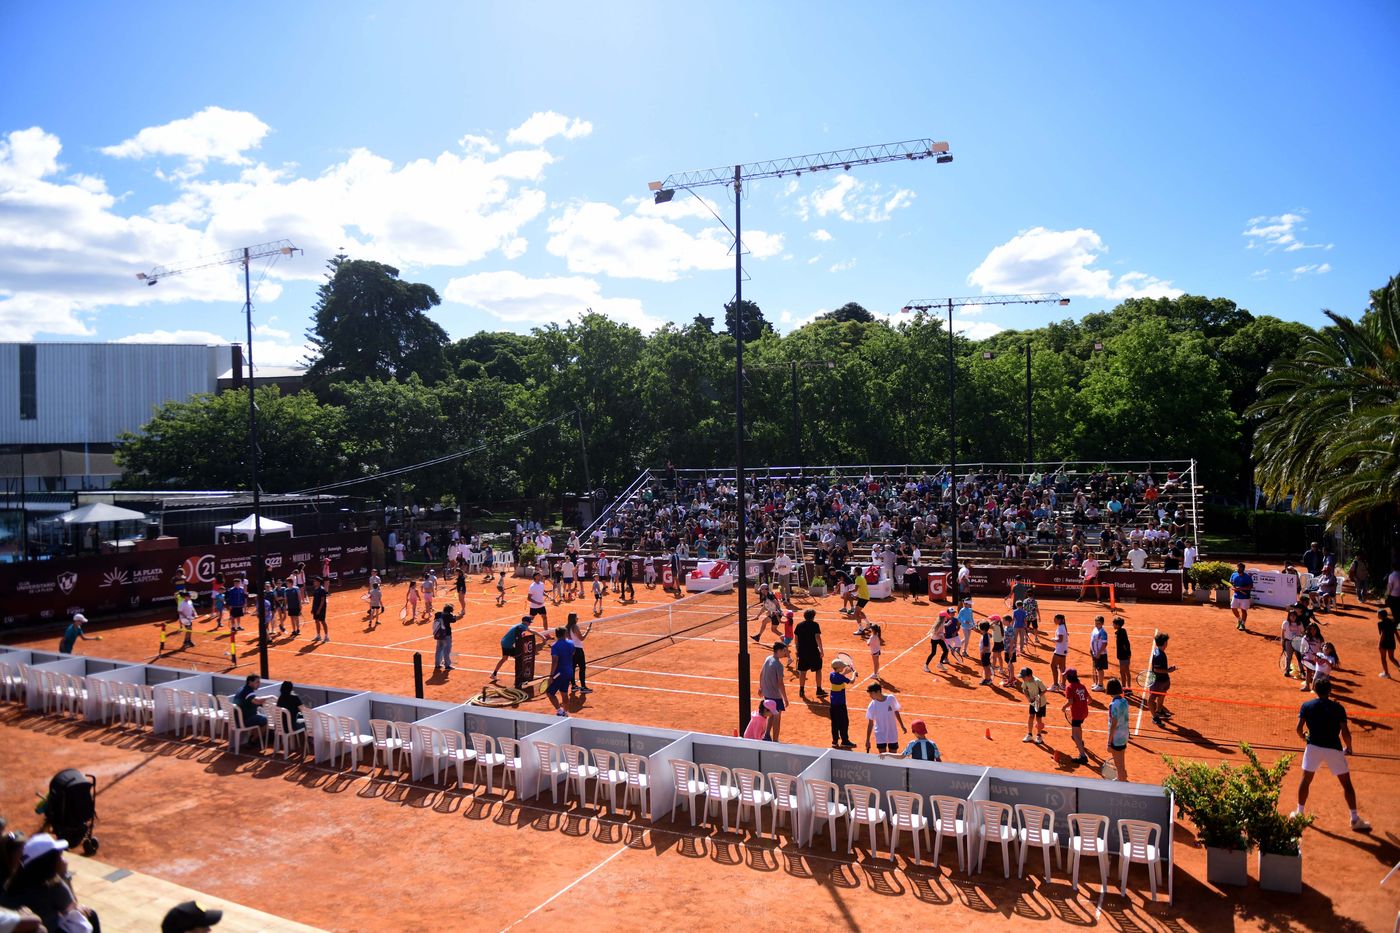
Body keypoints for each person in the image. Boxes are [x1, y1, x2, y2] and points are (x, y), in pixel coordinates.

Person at [1294, 679, 1370, 831]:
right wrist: (1349, 748)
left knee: (1305, 780)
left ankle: (1299, 814)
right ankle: (1354, 819)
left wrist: (1304, 738)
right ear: (1330, 690)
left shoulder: (1307, 706)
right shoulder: (1338, 708)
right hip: (1334, 749)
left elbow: (1298, 729)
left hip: (1313, 747)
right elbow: (1345, 732)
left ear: (1314, 689)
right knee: (1346, 784)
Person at [0, 834, 98, 933]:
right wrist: (64, 875)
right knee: (91, 915)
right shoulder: (53, 887)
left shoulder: (10, 884)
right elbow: (73, 910)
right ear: (49, 862)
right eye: (59, 857)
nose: (63, 860)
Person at [759, 642, 790, 742]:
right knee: (777, 717)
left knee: (771, 714)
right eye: (784, 651)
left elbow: (761, 673)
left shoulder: (768, 658)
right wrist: (785, 698)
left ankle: (767, 735)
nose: (786, 653)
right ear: (779, 651)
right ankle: (775, 741)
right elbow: (780, 683)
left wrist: (761, 687)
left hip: (767, 694)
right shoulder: (779, 665)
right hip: (775, 697)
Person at [863, 681, 905, 754]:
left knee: (893, 756)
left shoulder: (891, 698)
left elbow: (896, 711)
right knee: (882, 756)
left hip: (892, 732)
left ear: (878, 691)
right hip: (880, 734)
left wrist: (902, 725)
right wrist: (867, 740)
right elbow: (870, 723)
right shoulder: (872, 705)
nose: (870, 696)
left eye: (871, 693)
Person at [793, 610, 826, 700]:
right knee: (818, 670)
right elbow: (817, 638)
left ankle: (801, 690)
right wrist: (821, 650)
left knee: (802, 671)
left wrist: (797, 650)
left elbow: (796, 639)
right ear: (813, 616)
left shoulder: (799, 625)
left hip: (802, 652)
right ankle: (819, 690)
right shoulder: (815, 625)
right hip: (813, 651)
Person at [490, 617, 533, 683]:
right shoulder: (523, 626)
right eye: (529, 622)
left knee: (504, 659)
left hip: (504, 642)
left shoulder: (519, 625)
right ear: (525, 622)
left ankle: (494, 674)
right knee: (519, 659)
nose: (530, 624)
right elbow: (532, 631)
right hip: (508, 645)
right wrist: (542, 637)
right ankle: (520, 677)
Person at [1062, 669, 1090, 765]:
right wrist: (1082, 704)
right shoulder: (1082, 686)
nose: (1065, 677)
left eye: (1066, 676)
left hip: (1077, 714)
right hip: (1084, 712)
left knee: (1074, 735)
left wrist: (1063, 707)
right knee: (1078, 728)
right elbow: (1090, 700)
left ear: (1069, 677)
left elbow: (1070, 702)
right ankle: (1080, 743)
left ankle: (1083, 756)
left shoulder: (1069, 687)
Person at [545, 626, 574, 718]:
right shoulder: (571, 643)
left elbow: (555, 661)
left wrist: (551, 676)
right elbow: (572, 653)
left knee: (549, 693)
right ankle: (565, 712)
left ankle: (559, 711)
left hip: (559, 674)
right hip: (569, 672)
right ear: (564, 634)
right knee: (564, 693)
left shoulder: (555, 646)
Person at [828, 658, 855, 748]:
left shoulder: (832, 675)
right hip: (841, 705)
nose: (843, 668)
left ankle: (835, 741)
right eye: (842, 667)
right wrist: (854, 674)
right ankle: (845, 740)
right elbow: (851, 681)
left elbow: (839, 678)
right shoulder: (840, 677)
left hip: (833, 705)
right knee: (844, 722)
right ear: (838, 668)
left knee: (834, 723)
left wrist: (844, 673)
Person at [1106, 678, 1130, 781]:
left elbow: (1113, 724)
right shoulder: (1125, 701)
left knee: (1118, 765)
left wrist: (1109, 742)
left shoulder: (1113, 705)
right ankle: (1122, 776)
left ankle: (1122, 781)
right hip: (1124, 735)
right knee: (1122, 762)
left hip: (1117, 738)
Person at [1149, 632, 1175, 725]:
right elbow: (1156, 669)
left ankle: (1159, 711)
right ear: (1165, 643)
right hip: (1157, 681)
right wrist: (1169, 670)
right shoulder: (1159, 655)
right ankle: (1154, 717)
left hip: (1163, 680)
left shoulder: (1158, 651)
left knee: (1163, 694)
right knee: (1151, 699)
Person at [1018, 666, 1049, 744]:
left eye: (1023, 677)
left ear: (1029, 676)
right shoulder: (1025, 681)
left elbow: (1044, 690)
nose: (1022, 679)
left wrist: (1038, 696)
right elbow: (1024, 689)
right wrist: (1028, 698)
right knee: (1031, 717)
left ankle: (1039, 736)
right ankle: (1029, 734)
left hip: (1040, 703)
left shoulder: (1037, 681)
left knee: (1038, 719)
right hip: (1032, 702)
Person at [567, 615, 591, 695]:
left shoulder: (566, 627)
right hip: (578, 650)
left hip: (571, 650)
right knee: (582, 667)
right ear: (574, 619)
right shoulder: (575, 627)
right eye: (576, 617)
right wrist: (587, 630)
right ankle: (583, 687)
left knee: (572, 668)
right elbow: (581, 638)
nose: (577, 618)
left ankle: (573, 686)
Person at [1230, 562, 1254, 631]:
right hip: (1236, 596)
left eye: (1239, 567)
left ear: (1243, 569)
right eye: (1237, 567)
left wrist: (1241, 588)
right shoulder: (1234, 574)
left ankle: (1243, 624)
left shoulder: (1247, 577)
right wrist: (1233, 588)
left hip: (1245, 597)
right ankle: (1239, 620)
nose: (1238, 568)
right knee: (1233, 608)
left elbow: (1250, 587)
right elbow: (1231, 584)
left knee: (1243, 611)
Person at [1113, 617, 1133, 695]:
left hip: (1123, 656)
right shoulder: (1121, 631)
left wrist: (1128, 654)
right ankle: (1127, 688)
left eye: (1114, 624)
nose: (1112, 625)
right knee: (1126, 672)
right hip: (1124, 656)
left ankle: (1125, 688)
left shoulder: (1121, 633)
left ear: (1117, 625)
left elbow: (1126, 644)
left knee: (1123, 672)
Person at [1049, 613, 1069, 691]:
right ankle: (1063, 685)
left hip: (1059, 650)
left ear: (1060, 620)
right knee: (1062, 668)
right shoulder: (1063, 626)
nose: (1054, 620)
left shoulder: (1060, 628)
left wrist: (1053, 639)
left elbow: (1060, 639)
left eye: (1055, 619)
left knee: (1053, 666)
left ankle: (1055, 685)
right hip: (1063, 650)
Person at [1089, 616, 1109, 691]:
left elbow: (1104, 644)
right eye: (1096, 623)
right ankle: (1097, 683)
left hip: (1101, 654)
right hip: (1094, 653)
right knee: (1096, 668)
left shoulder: (1103, 632)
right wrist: (1091, 648)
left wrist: (1099, 653)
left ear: (1102, 623)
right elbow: (1092, 640)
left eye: (1099, 623)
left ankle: (1100, 685)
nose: (1097, 624)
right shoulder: (1094, 629)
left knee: (1100, 669)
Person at [432, 607, 454, 672]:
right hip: (446, 636)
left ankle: (437, 664)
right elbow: (454, 620)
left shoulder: (439, 615)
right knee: (447, 651)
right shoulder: (448, 615)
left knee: (439, 650)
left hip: (439, 635)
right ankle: (447, 665)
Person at [1378, 609, 1398, 679]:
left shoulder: (1380, 623)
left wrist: (1379, 644)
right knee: (1392, 657)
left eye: (1378, 614)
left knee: (1383, 658)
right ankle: (1399, 667)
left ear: (1380, 616)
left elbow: (1382, 634)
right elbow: (1396, 633)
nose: (1377, 615)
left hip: (1384, 642)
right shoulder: (1392, 622)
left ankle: (1386, 673)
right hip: (1392, 642)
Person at [310, 577, 329, 644]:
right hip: (315, 608)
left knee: (323, 621)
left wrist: (319, 609)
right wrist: (313, 609)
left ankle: (326, 636)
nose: (314, 582)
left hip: (321, 609)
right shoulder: (315, 589)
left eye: (315, 581)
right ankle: (318, 636)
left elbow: (322, 601)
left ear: (318, 582)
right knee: (316, 621)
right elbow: (314, 600)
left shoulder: (322, 590)